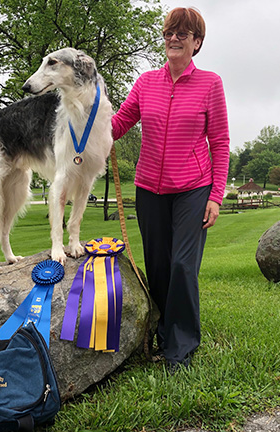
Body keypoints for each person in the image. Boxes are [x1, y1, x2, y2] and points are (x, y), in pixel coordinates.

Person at [112, 7, 230, 368]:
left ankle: (180, 346)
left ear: (197, 42)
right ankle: (163, 330)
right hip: (149, 188)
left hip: (194, 188)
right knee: (159, 266)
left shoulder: (210, 83)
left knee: (182, 265)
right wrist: (83, 125)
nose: (174, 39)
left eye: (182, 33)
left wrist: (215, 196)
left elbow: (221, 143)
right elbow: (117, 125)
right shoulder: (146, 82)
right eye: (168, 33)